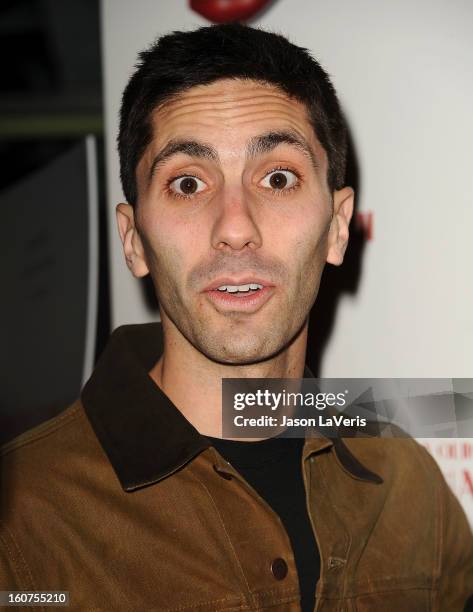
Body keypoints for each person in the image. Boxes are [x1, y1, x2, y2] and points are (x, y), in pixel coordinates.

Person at [1, 23, 472, 612]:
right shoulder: (22, 519)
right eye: (188, 183)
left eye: (278, 178)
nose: (235, 228)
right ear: (133, 241)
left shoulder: (408, 485)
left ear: (337, 225)